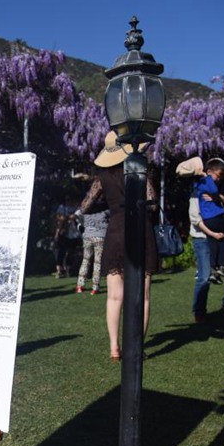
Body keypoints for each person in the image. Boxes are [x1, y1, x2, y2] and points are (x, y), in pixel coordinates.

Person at [84, 131, 158, 362]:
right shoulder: (139, 171)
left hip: (116, 230)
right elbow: (153, 203)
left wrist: (111, 206)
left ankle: (114, 347)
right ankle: (135, 348)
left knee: (115, 296)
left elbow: (85, 205)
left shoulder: (101, 178)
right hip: (140, 229)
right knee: (142, 297)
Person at [178, 157, 224, 323]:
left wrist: (219, 198)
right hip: (203, 238)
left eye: (222, 174)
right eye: (218, 174)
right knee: (205, 277)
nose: (220, 177)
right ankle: (199, 311)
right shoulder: (198, 190)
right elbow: (195, 219)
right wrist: (212, 234)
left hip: (223, 237)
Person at [195, 158, 224, 280]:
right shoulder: (207, 181)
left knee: (214, 242)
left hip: (208, 218)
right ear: (210, 171)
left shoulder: (198, 183)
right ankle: (222, 266)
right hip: (215, 215)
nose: (220, 178)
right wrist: (208, 177)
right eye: (219, 175)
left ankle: (213, 268)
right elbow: (214, 190)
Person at [75, 176, 109, 294]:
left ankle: (80, 285)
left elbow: (78, 215)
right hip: (100, 235)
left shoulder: (87, 209)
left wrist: (81, 228)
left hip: (87, 235)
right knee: (98, 262)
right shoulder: (106, 208)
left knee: (85, 260)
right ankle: (95, 287)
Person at [52, 199, 81, 278]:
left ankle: (68, 270)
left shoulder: (77, 208)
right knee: (61, 252)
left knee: (71, 252)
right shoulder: (63, 207)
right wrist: (57, 233)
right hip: (64, 233)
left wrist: (67, 217)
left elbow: (75, 217)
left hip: (74, 233)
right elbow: (59, 219)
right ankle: (59, 271)